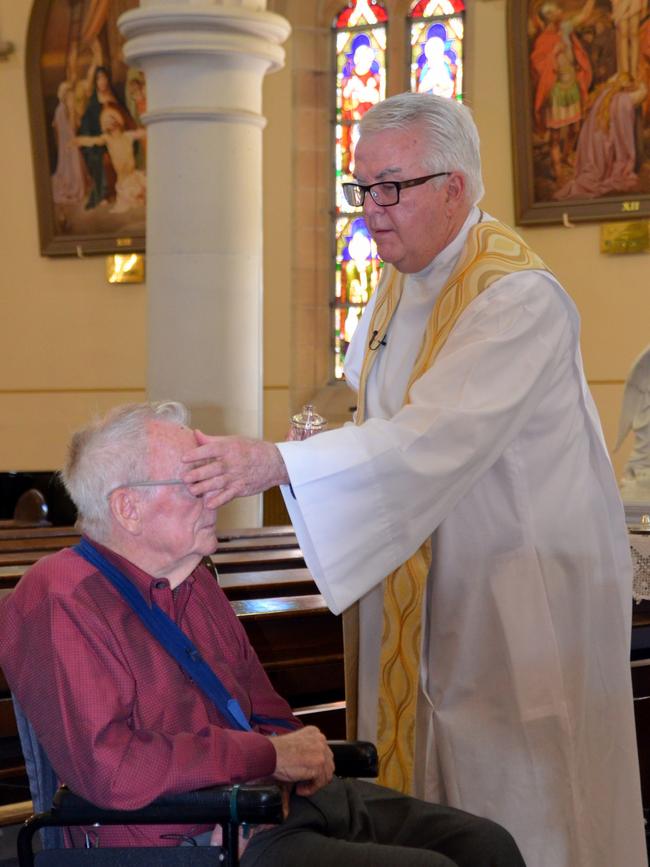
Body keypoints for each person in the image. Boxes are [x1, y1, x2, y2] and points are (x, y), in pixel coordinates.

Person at [180, 92, 648, 867]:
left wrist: (277, 462)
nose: (371, 209)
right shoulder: (397, 289)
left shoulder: (517, 298)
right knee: (429, 795)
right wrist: (323, 442)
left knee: (522, 792)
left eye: (390, 187)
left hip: (513, 597)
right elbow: (378, 419)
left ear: (456, 188)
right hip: (425, 587)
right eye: (360, 188)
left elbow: (435, 435)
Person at [0, 401, 525, 866]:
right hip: (195, 837)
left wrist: (291, 756)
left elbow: (264, 709)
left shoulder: (194, 581)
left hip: (275, 805)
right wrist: (268, 757)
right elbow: (113, 769)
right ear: (127, 508)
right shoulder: (62, 598)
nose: (217, 496)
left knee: (482, 845)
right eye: (195, 483)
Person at [529, 0, 595, 179]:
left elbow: (583, 16)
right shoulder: (544, 40)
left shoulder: (565, 28)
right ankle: (557, 168)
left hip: (572, 85)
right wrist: (553, 53)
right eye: (556, 10)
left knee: (575, 128)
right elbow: (537, 64)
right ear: (549, 16)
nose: (560, 12)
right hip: (556, 90)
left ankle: (566, 156)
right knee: (556, 135)